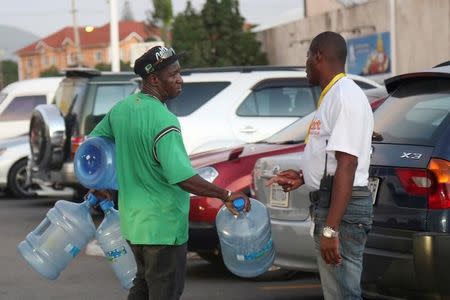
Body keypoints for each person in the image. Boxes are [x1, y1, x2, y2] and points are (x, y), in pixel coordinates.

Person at [88, 45, 250, 300]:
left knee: (142, 286)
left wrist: (97, 182)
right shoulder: (164, 121)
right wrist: (225, 194)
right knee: (163, 292)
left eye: (179, 72)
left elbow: (92, 146)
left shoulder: (122, 109)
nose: (180, 79)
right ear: (153, 79)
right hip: (163, 229)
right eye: (173, 74)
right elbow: (183, 177)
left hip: (133, 225)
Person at [267, 31, 374, 299]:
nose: (305, 65)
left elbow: (348, 164)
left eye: (306, 57)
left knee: (344, 294)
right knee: (336, 293)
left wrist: (330, 228)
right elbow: (332, 158)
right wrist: (304, 176)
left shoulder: (345, 96)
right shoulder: (332, 96)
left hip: (343, 212)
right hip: (331, 204)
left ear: (317, 56)